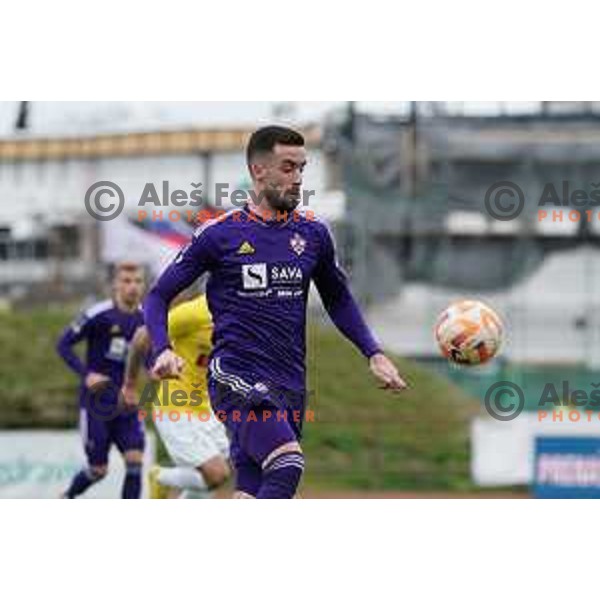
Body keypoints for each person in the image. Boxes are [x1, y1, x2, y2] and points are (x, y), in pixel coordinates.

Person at [144, 125, 407, 499]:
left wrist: (373, 353)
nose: (297, 178)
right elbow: (157, 296)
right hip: (235, 376)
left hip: (290, 383)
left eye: (302, 168)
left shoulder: (314, 233)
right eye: (288, 167)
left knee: (249, 492)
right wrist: (162, 349)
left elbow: (338, 298)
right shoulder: (219, 235)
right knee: (287, 463)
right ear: (258, 171)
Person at [123, 294, 230, 499]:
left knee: (212, 477)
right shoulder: (197, 313)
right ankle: (159, 476)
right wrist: (130, 383)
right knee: (217, 473)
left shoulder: (246, 318)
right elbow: (142, 337)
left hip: (206, 406)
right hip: (175, 405)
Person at [57, 262, 146, 499]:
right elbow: (63, 344)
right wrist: (87, 375)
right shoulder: (98, 314)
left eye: (138, 281)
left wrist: (158, 369)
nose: (133, 287)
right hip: (96, 405)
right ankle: (66, 497)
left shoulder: (147, 319)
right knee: (98, 470)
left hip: (126, 404)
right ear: (115, 284)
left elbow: (149, 357)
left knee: (135, 461)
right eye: (127, 281)